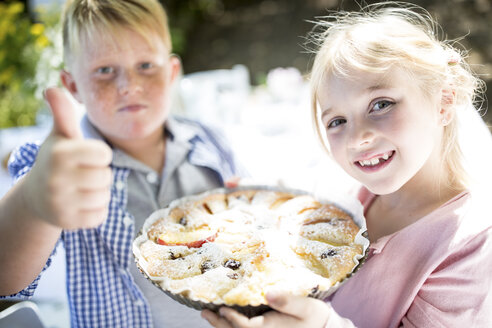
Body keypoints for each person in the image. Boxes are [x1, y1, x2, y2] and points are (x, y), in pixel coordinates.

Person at [201, 2, 492, 327]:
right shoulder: (353, 197)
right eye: (337, 121)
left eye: (381, 104)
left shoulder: (472, 246)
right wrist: (268, 210)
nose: (357, 138)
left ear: (444, 102)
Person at [0, 0, 243, 327]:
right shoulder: (63, 165)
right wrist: (33, 203)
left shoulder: (209, 143)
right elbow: (6, 282)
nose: (129, 85)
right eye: (104, 70)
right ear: (73, 87)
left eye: (145, 65)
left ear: (172, 73)